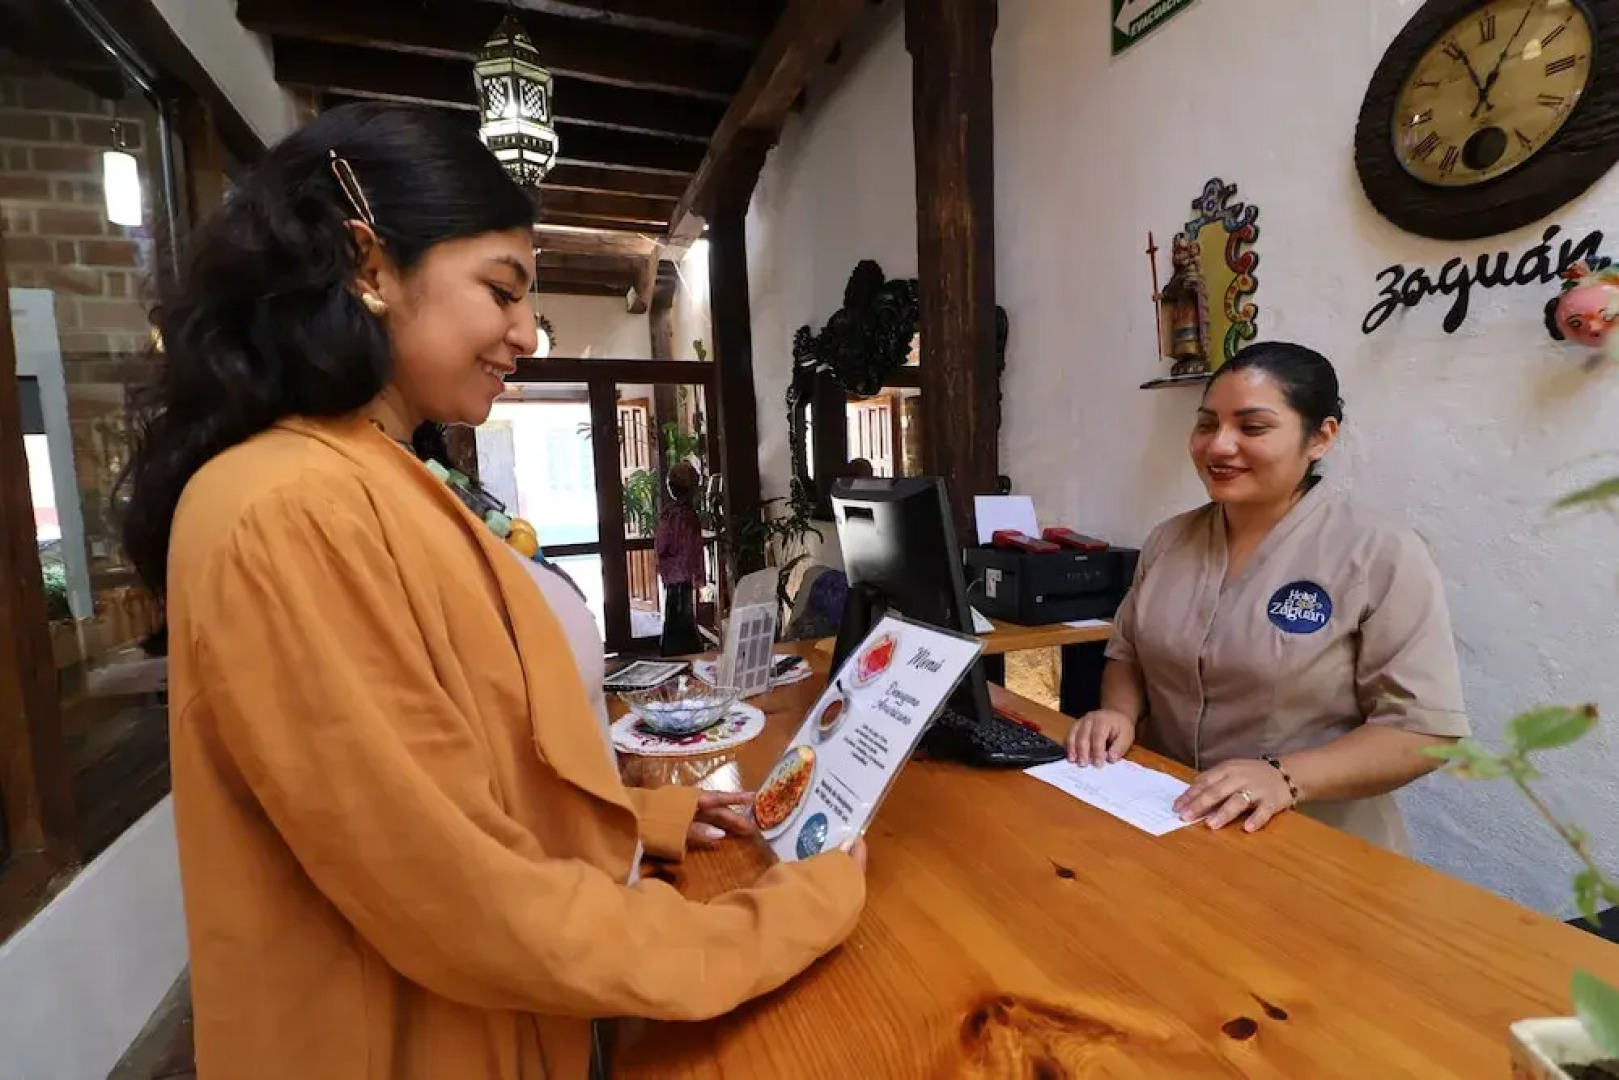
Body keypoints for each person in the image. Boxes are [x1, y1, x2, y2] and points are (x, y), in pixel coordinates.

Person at [119, 102, 866, 1080]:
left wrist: (642, 819)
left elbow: (448, 776)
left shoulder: (372, 473)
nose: (524, 331)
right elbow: (457, 896)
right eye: (500, 289)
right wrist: (783, 918)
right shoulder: (291, 509)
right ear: (367, 265)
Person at [1065, 341, 1470, 853]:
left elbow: (1423, 733)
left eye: (1252, 428)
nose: (1218, 446)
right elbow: (1128, 652)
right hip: (1165, 818)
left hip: (1311, 844)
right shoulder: (1170, 540)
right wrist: (1118, 714)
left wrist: (1285, 777)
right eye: (1207, 424)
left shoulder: (1379, 553)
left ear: (1320, 437)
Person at [654, 460, 705, 656]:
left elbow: (662, 545)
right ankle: (683, 653)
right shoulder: (688, 516)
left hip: (673, 573)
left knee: (675, 615)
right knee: (682, 616)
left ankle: (674, 653)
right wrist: (698, 576)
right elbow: (695, 550)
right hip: (683, 573)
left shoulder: (669, 514)